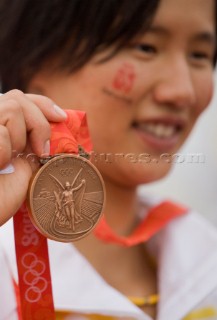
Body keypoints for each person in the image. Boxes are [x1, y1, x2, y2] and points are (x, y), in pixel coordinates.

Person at [0, 0, 217, 319]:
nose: (181, 92)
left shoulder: (205, 257)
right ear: (35, 55)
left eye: (199, 55)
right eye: (145, 47)